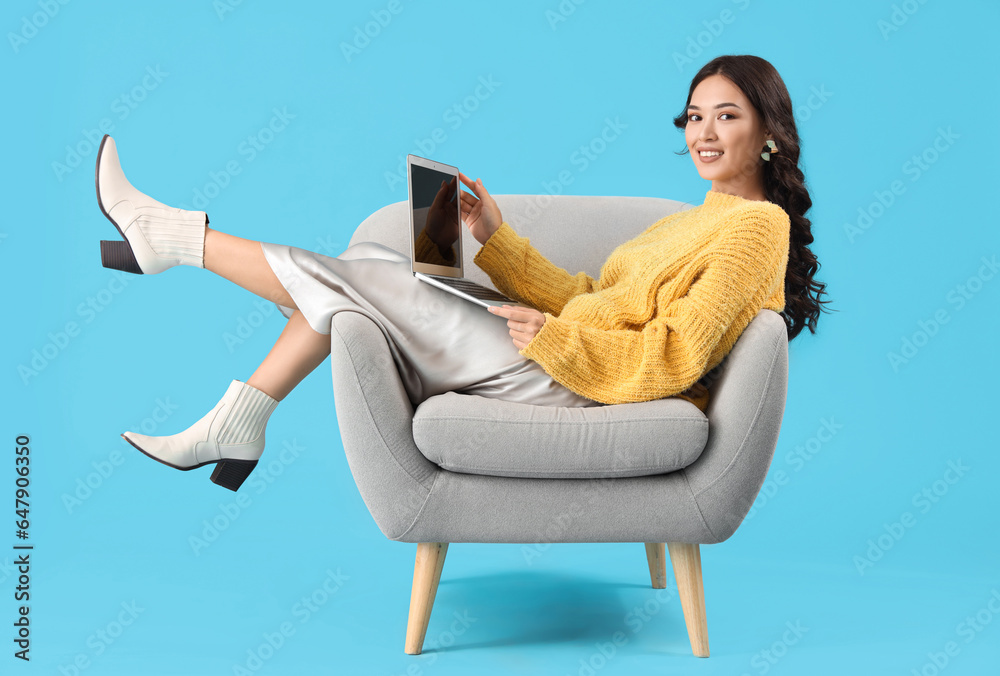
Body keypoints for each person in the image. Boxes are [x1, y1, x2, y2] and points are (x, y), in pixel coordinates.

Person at [94, 54, 830, 492]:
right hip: (564, 357)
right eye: (694, 116)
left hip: (584, 387)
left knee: (365, 277)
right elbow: (589, 298)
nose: (703, 133)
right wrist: (493, 239)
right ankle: (242, 417)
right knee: (373, 263)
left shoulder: (756, 226)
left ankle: (173, 239)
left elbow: (677, 353)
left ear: (769, 132)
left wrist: (554, 340)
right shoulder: (687, 219)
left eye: (726, 117)